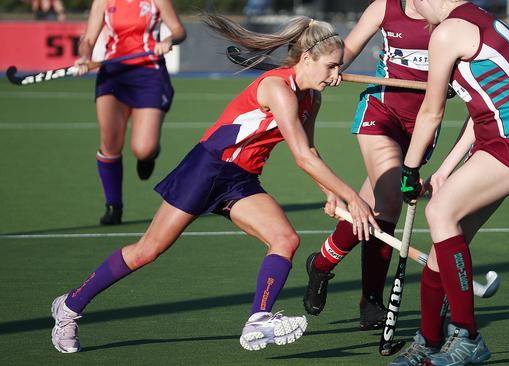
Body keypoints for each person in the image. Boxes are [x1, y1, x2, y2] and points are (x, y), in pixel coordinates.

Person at [50, 15, 380, 354]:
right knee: (148, 250)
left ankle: (258, 321)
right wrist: (352, 197)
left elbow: (310, 149)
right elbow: (301, 157)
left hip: (241, 179)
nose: (336, 76)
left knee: (285, 238)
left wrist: (328, 193)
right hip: (208, 168)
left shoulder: (312, 97)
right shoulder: (278, 89)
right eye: (330, 67)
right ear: (307, 58)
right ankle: (70, 306)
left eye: (339, 67)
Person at [391, 1, 509, 365]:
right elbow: (479, 111)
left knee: (440, 211)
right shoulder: (478, 21)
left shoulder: (448, 32)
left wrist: (409, 169)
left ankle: (467, 336)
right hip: (498, 138)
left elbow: (432, 111)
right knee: (444, 236)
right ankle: (430, 342)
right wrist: (442, 171)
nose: (413, 11)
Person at [302, 0, 439, 331]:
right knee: (391, 195)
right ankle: (373, 301)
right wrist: (330, 68)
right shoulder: (386, 6)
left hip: (421, 124)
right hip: (381, 112)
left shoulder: (450, 15)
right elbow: (347, 49)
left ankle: (321, 264)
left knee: (378, 207)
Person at [73, 0, 186, 225]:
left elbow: (179, 30)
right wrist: (85, 57)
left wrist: (168, 40)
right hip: (114, 74)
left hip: (149, 74)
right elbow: (87, 39)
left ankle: (150, 155)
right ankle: (114, 205)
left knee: (144, 149)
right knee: (110, 144)